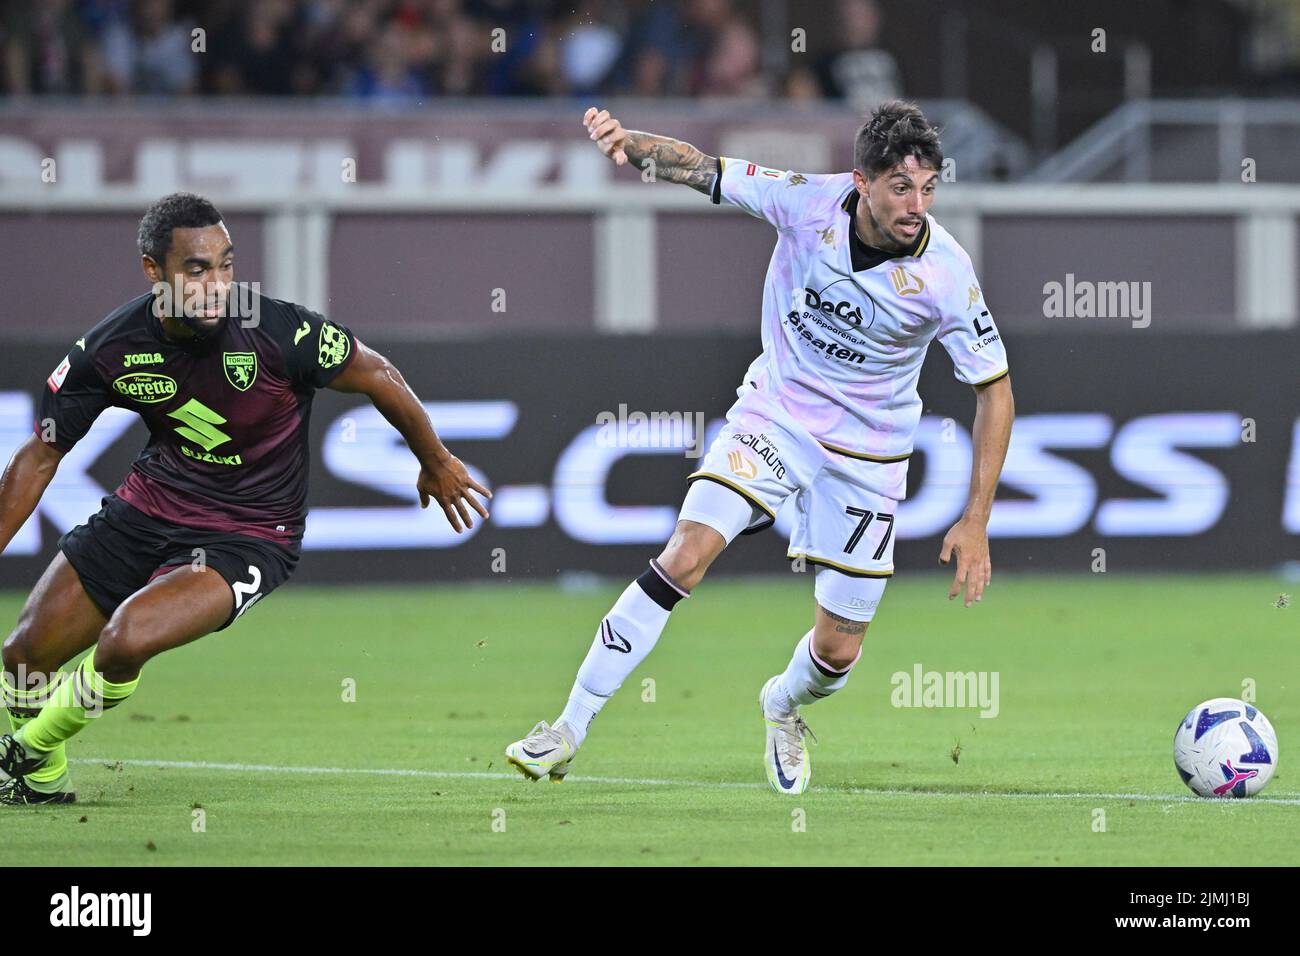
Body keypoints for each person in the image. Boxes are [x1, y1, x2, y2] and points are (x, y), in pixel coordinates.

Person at [505, 101, 1014, 794]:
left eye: (928, 188)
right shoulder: (804, 202)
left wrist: (976, 518)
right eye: (901, 187)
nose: (916, 204)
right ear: (862, 181)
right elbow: (704, 170)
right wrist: (630, 145)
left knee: (838, 652)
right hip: (775, 417)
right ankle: (567, 727)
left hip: (868, 458)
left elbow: (996, 391)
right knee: (685, 553)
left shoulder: (946, 275)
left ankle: (782, 703)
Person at [0, 192, 490, 804]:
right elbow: (42, 454)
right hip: (147, 508)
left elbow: (377, 373)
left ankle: (24, 750)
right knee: (23, 656)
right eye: (197, 269)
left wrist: (435, 458)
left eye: (226, 265)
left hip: (250, 534)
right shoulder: (110, 349)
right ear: (155, 271)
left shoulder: (277, 329)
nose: (217, 284)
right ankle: (40, 783)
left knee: (126, 640)